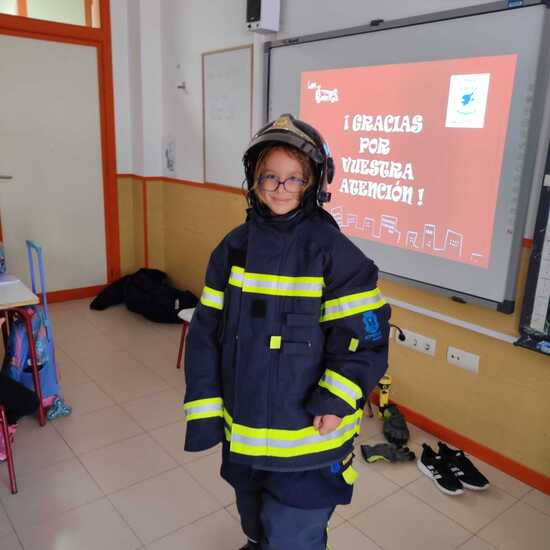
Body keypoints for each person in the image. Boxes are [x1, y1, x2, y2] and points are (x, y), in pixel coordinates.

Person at [183, 114, 390, 549]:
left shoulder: (335, 253)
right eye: (270, 177)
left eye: (294, 179)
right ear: (253, 181)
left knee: (295, 534)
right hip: (246, 433)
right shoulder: (233, 249)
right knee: (256, 523)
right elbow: (204, 334)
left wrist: (336, 401)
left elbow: (364, 339)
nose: (281, 189)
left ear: (315, 184)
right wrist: (204, 410)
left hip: (309, 443)